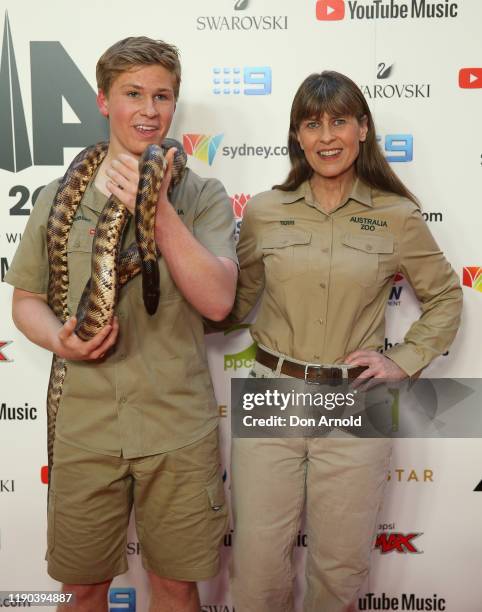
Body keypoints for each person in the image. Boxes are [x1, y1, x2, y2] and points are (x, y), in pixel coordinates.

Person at [6, 37, 237, 612]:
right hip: (85, 427)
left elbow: (216, 302)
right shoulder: (58, 195)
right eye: (133, 93)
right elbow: (27, 300)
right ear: (104, 101)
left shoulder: (201, 196)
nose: (149, 109)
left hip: (177, 427)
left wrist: (155, 209)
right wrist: (56, 337)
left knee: (177, 588)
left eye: (162, 96)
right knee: (81, 589)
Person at [228, 71, 462, 612]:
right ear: (297, 135)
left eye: (338, 121)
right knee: (258, 570)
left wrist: (404, 360)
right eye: (312, 123)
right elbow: (232, 304)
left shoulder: (397, 215)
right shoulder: (264, 210)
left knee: (340, 572)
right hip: (273, 394)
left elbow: (447, 297)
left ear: (363, 129)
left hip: (359, 403)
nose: (326, 136)